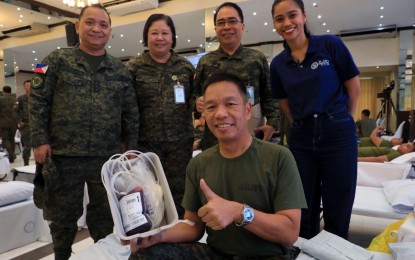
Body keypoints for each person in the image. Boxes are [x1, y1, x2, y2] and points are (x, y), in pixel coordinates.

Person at [127, 72, 307, 260]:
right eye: (211, 106)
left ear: (247, 110)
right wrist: (158, 235)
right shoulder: (199, 164)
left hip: (268, 256)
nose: (220, 114)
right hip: (217, 255)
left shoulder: (278, 157)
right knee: (145, 254)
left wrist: (239, 212)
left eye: (230, 104)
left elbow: (290, 233)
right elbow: (194, 226)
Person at [28, 4, 139, 260]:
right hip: (64, 154)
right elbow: (37, 101)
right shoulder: (50, 61)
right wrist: (39, 140)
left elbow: (131, 113)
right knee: (62, 214)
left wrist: (130, 148)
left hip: (106, 157)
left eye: (103, 24)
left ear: (110, 31)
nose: (97, 29)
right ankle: (62, 255)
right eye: (90, 22)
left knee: (105, 214)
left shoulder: (121, 71)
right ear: (77, 26)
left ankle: (104, 255)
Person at [270, 0, 361, 240]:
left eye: (292, 15)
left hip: (337, 132)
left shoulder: (329, 45)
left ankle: (335, 251)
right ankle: (305, 251)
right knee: (303, 206)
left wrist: (346, 121)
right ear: (275, 24)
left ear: (304, 16)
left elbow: (354, 88)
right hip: (301, 137)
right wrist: (301, 123)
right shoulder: (278, 64)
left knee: (338, 205)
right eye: (280, 19)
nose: (287, 23)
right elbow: (284, 103)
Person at [126, 14, 195, 218]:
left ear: (173, 37)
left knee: (180, 191)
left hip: (180, 143)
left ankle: (182, 234)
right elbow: (128, 109)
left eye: (165, 33)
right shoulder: (133, 68)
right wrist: (129, 145)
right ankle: (155, 235)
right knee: (150, 192)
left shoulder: (185, 67)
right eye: (154, 33)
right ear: (146, 37)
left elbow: (195, 99)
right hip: (146, 144)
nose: (159, 38)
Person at [194, 2, 280, 150]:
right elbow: (195, 96)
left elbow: (269, 95)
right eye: (221, 23)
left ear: (242, 26)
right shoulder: (205, 62)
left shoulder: (256, 58)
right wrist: (196, 104)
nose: (226, 26)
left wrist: (272, 124)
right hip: (214, 138)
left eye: (232, 21)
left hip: (250, 131)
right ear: (215, 29)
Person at [0, 85, 18, 163]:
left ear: (4, 91)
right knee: (12, 139)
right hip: (14, 122)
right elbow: (18, 110)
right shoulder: (16, 99)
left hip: (3, 122)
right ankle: (12, 157)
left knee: (5, 139)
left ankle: (11, 154)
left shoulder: (1, 99)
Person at [16, 80, 32, 165]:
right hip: (26, 124)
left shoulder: (38, 98)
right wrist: (19, 121)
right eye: (27, 86)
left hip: (37, 124)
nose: (29, 87)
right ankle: (26, 164)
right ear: (24, 87)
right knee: (28, 146)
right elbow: (16, 111)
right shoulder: (21, 98)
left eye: (30, 85)